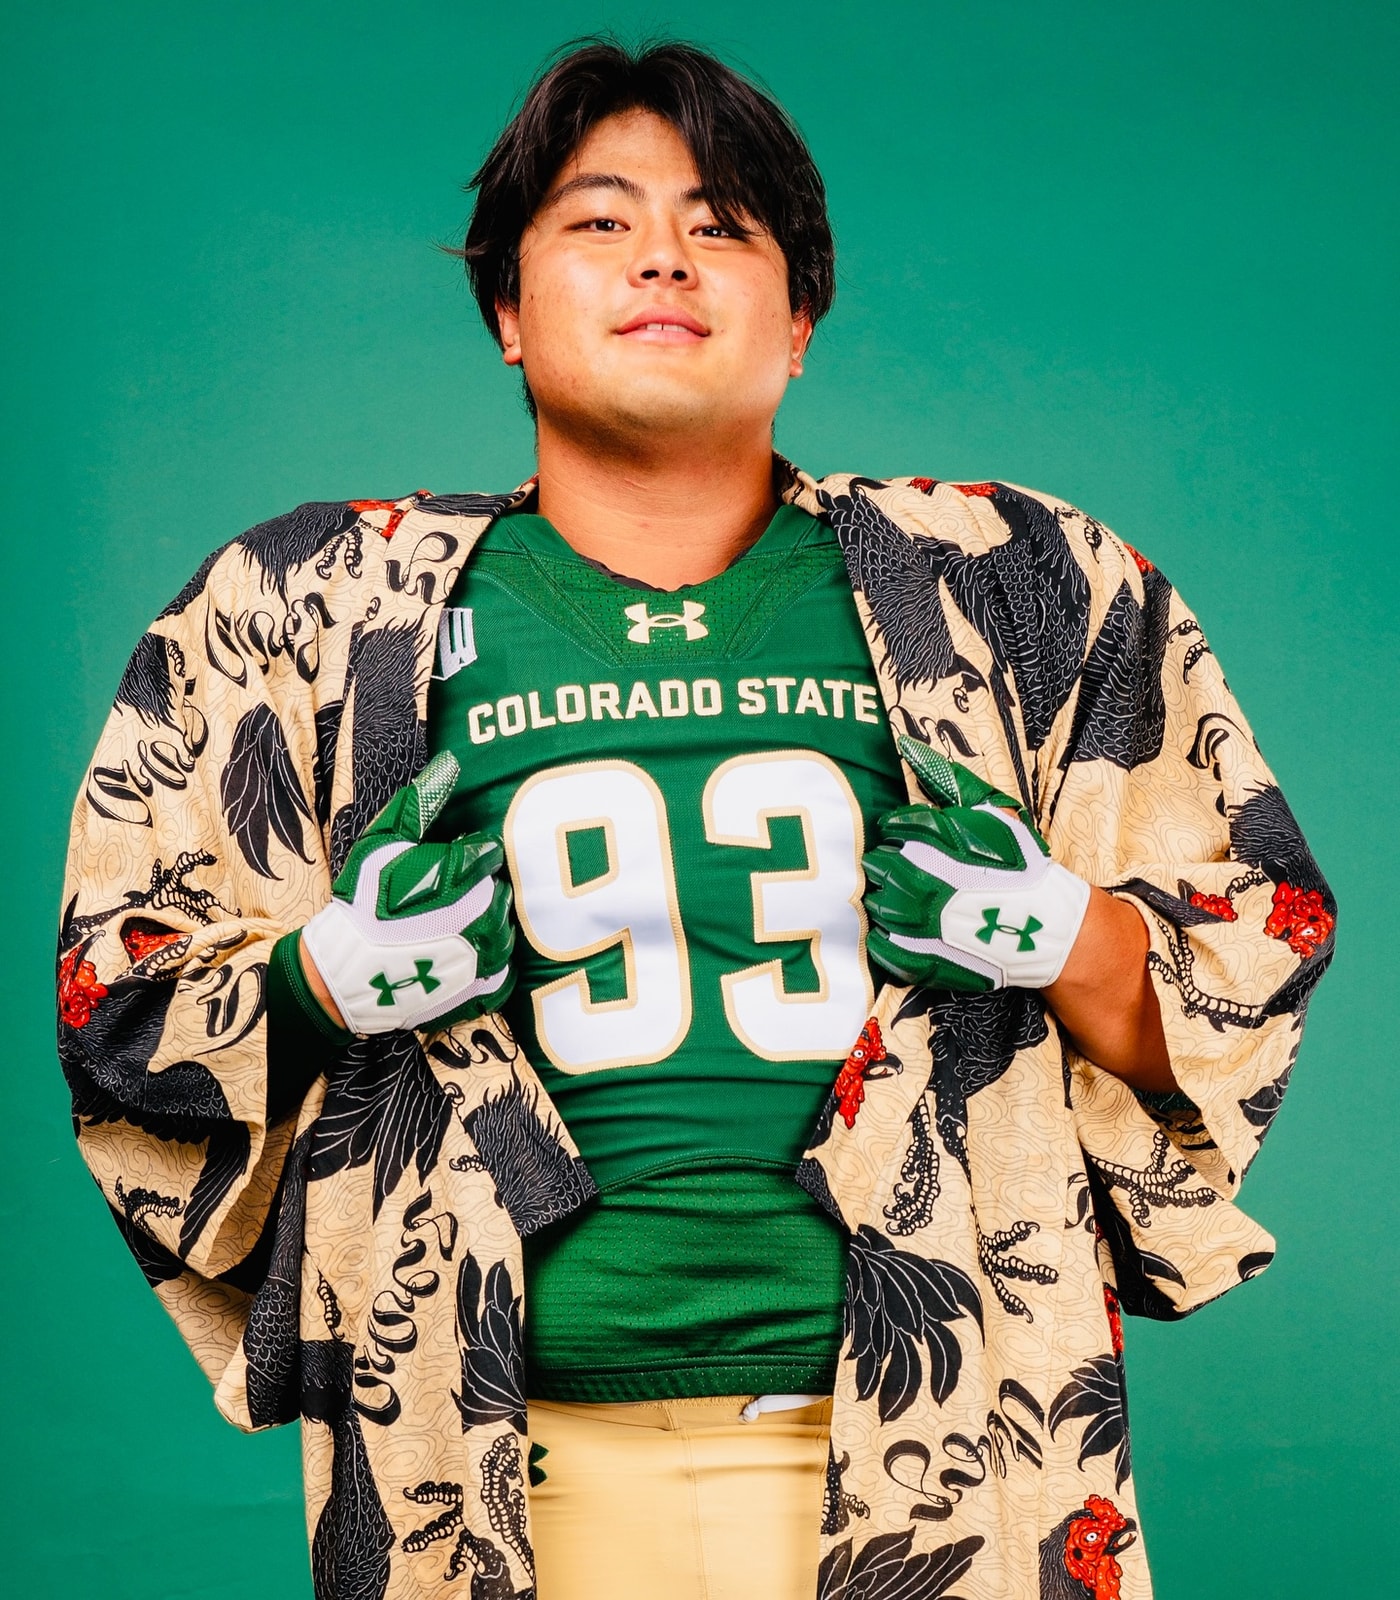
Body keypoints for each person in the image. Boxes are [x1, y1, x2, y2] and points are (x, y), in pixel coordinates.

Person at [57, 38, 1335, 1600]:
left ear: (799, 322)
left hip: (952, 1447)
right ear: (508, 311)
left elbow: (1253, 955)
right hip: (491, 1462)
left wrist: (1064, 935)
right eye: (602, 220)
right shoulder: (305, 612)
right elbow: (116, 1003)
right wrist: (318, 979)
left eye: (722, 224)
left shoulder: (1021, 586)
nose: (664, 253)